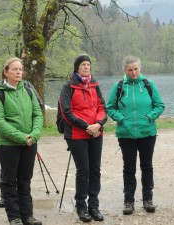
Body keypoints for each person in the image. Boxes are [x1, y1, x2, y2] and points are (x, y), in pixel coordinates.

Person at [106, 55, 165, 215]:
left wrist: (150, 117)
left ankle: (148, 199)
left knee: (147, 167)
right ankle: (128, 201)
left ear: (140, 68)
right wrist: (120, 118)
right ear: (125, 70)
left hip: (147, 133)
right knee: (129, 168)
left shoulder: (148, 84)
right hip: (126, 134)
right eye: (130, 70)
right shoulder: (119, 86)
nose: (133, 72)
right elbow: (110, 107)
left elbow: (160, 105)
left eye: (136, 69)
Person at [0, 57, 43, 225]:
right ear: (6, 72)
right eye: (14, 69)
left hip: (29, 143)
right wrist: (21, 137)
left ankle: (27, 216)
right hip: (8, 145)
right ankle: (14, 217)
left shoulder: (28, 90)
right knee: (9, 181)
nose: (19, 72)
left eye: (20, 69)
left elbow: (37, 113)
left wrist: (34, 135)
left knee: (25, 181)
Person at [59, 54, 107, 222]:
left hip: (96, 133)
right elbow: (66, 112)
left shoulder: (95, 85)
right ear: (77, 68)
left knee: (95, 170)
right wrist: (86, 126)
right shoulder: (68, 86)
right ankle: (81, 207)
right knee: (83, 170)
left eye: (88, 64)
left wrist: (99, 124)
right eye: (83, 65)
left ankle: (94, 206)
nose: (86, 67)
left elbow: (102, 107)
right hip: (77, 135)